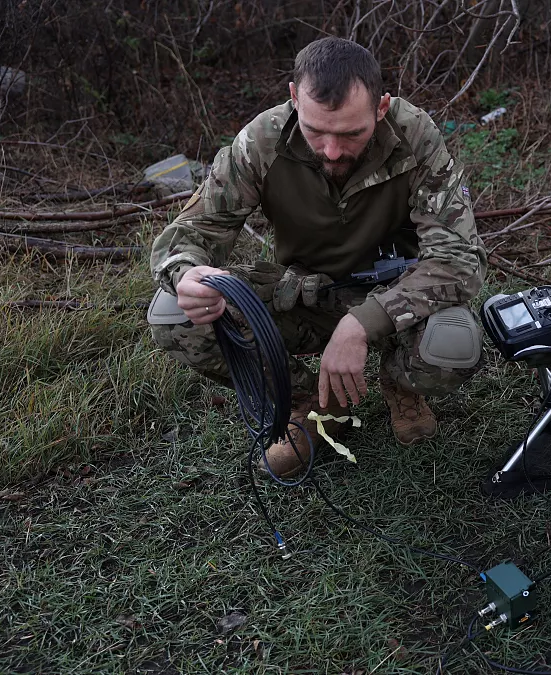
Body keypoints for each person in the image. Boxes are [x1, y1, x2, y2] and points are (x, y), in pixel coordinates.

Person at [147, 37, 486, 476]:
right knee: (173, 312)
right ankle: (307, 400)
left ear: (381, 108)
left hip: (398, 303)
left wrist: (362, 322)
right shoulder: (262, 141)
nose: (330, 151)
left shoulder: (414, 135)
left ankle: (399, 383)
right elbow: (190, 233)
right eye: (315, 131)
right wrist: (187, 273)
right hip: (304, 299)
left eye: (351, 134)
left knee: (454, 341)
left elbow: (459, 258)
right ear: (293, 99)